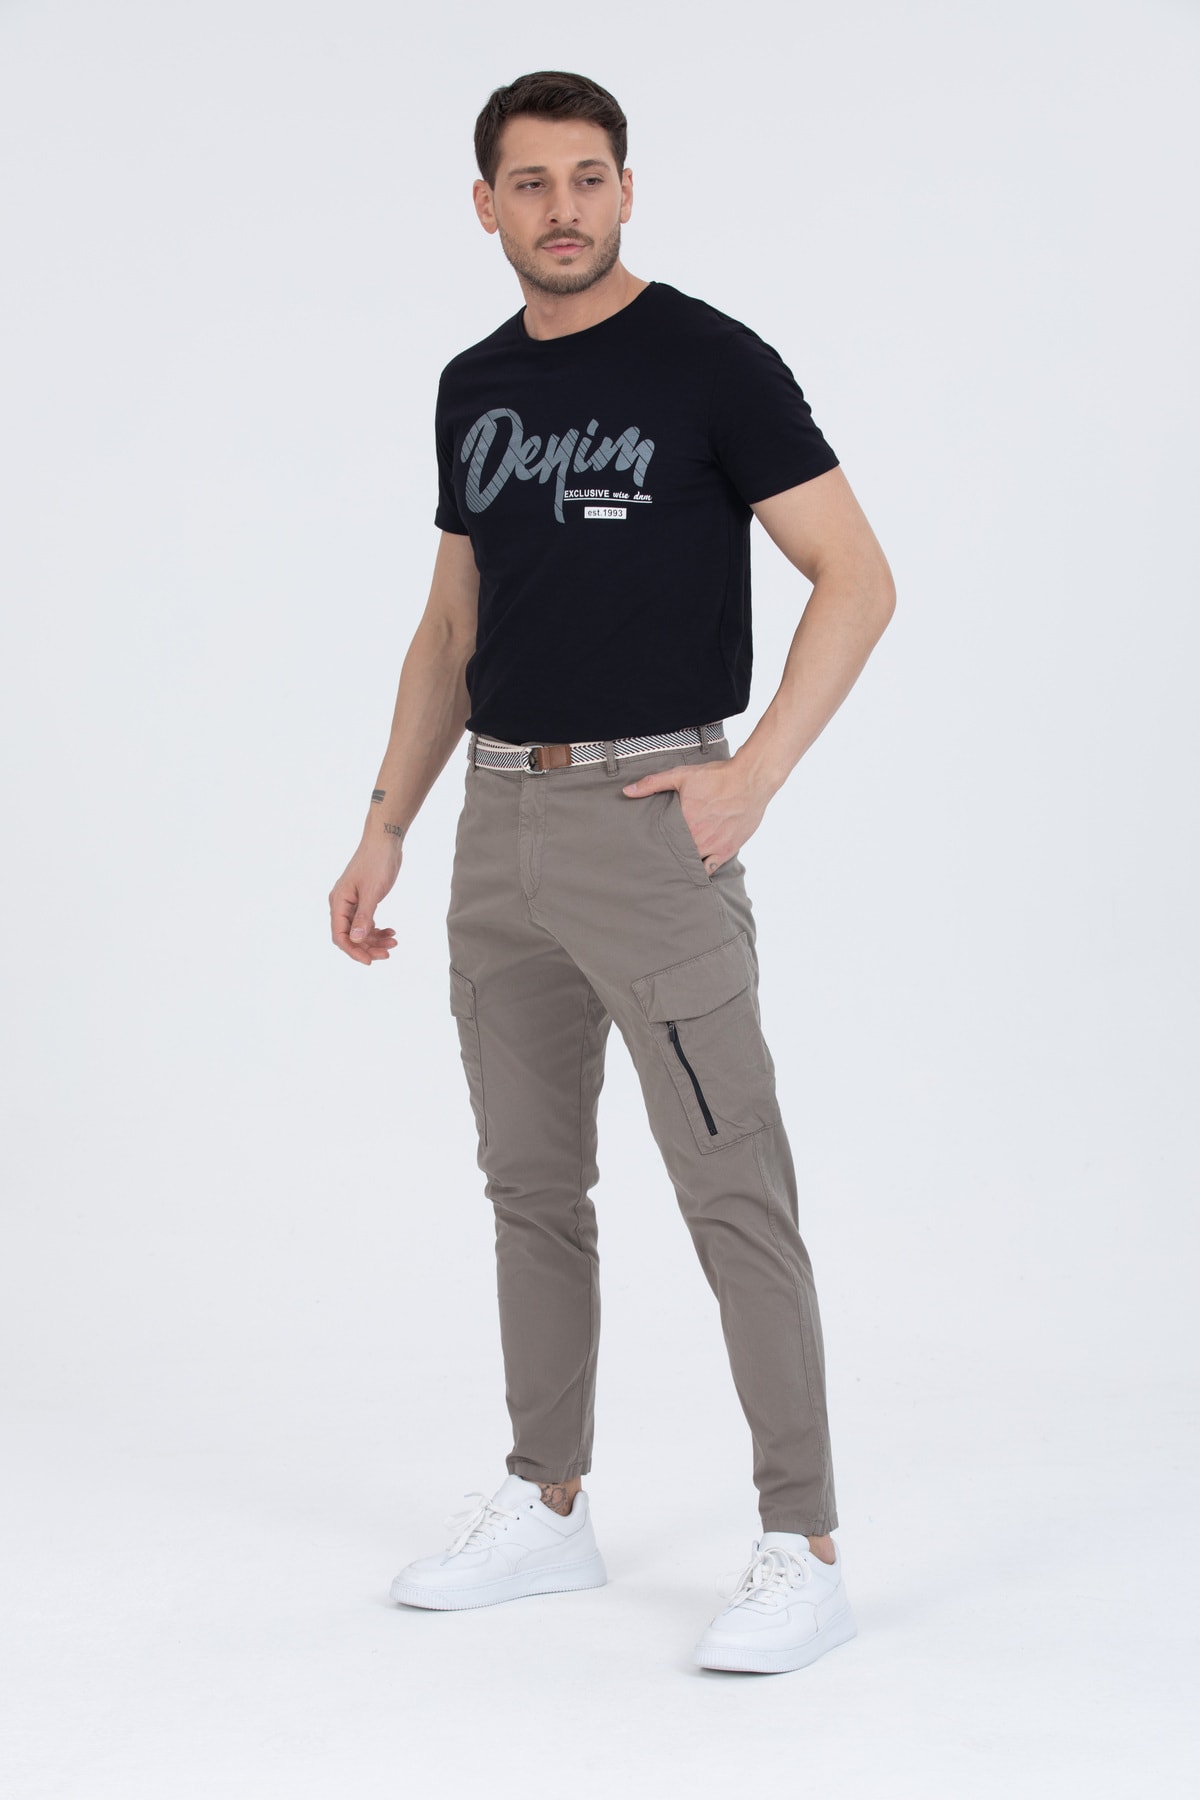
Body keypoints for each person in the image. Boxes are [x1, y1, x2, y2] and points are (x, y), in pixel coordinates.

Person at [328, 69, 895, 1675]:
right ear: (487, 206)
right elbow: (453, 624)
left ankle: (803, 1544)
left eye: (589, 178)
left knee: (732, 1187)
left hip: (653, 825)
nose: (562, 207)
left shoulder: (712, 362)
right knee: (530, 1189)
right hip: (496, 826)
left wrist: (751, 777)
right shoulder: (473, 387)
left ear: (627, 191)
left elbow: (856, 576)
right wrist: (385, 821)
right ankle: (547, 1502)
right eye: (531, 182)